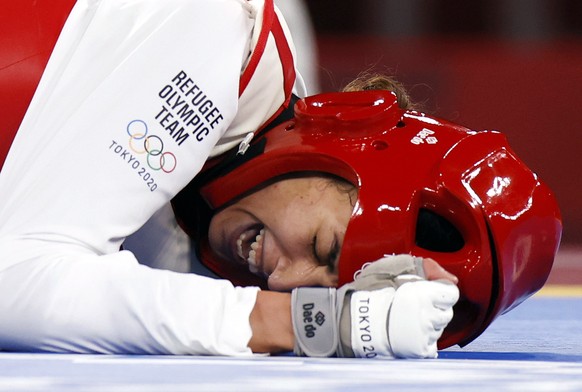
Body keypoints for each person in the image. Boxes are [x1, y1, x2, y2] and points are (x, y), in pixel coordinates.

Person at [0, 0, 561, 358]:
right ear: (335, 142)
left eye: (321, 290)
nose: (288, 283)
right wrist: (306, 326)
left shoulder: (206, 181)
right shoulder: (209, 33)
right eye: (322, 245)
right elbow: (11, 283)